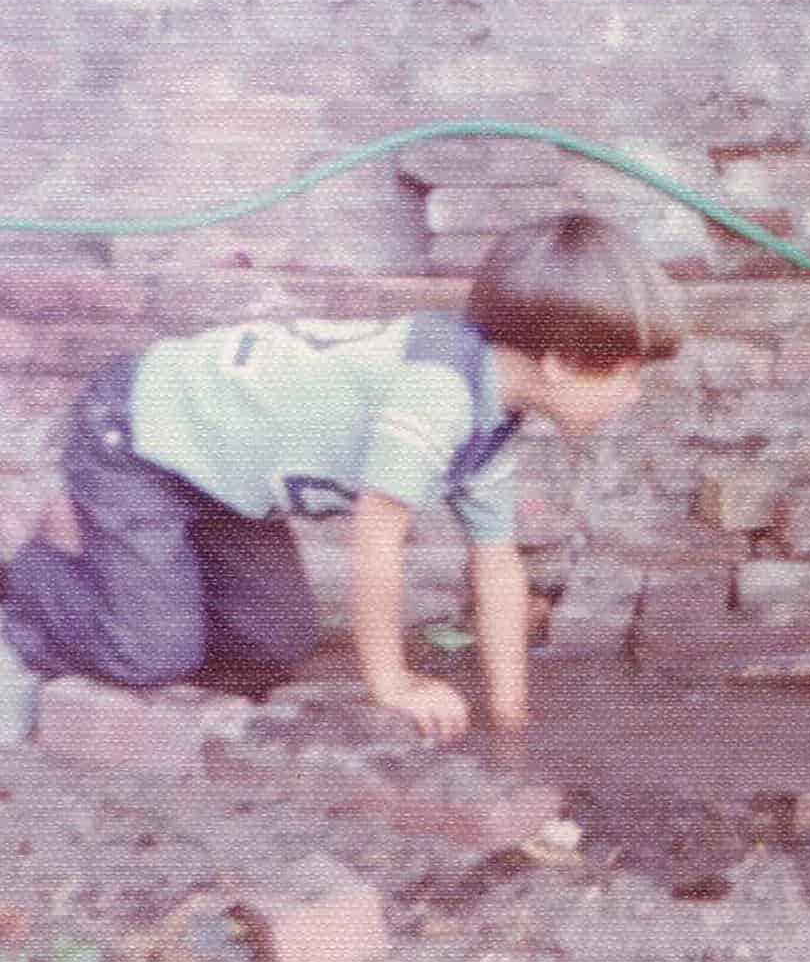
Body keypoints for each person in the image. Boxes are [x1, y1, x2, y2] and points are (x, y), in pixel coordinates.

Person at [0, 211, 681, 738]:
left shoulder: (494, 419)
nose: (634, 394)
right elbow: (376, 544)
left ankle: (136, 583)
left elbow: (497, 567)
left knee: (276, 641)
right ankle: (34, 578)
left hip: (221, 480)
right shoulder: (438, 391)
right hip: (140, 438)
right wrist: (392, 685)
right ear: (560, 362)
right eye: (627, 374)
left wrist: (511, 716)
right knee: (150, 653)